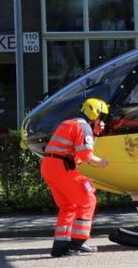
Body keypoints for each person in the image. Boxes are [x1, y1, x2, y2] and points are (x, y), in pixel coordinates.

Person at [41, 97, 111, 257]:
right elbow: (86, 155)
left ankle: (60, 246)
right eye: (102, 117)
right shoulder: (83, 126)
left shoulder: (69, 123)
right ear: (96, 114)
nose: (102, 121)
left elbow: (82, 146)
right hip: (63, 168)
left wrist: (95, 133)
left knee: (69, 206)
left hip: (49, 166)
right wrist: (102, 162)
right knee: (88, 200)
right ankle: (78, 243)